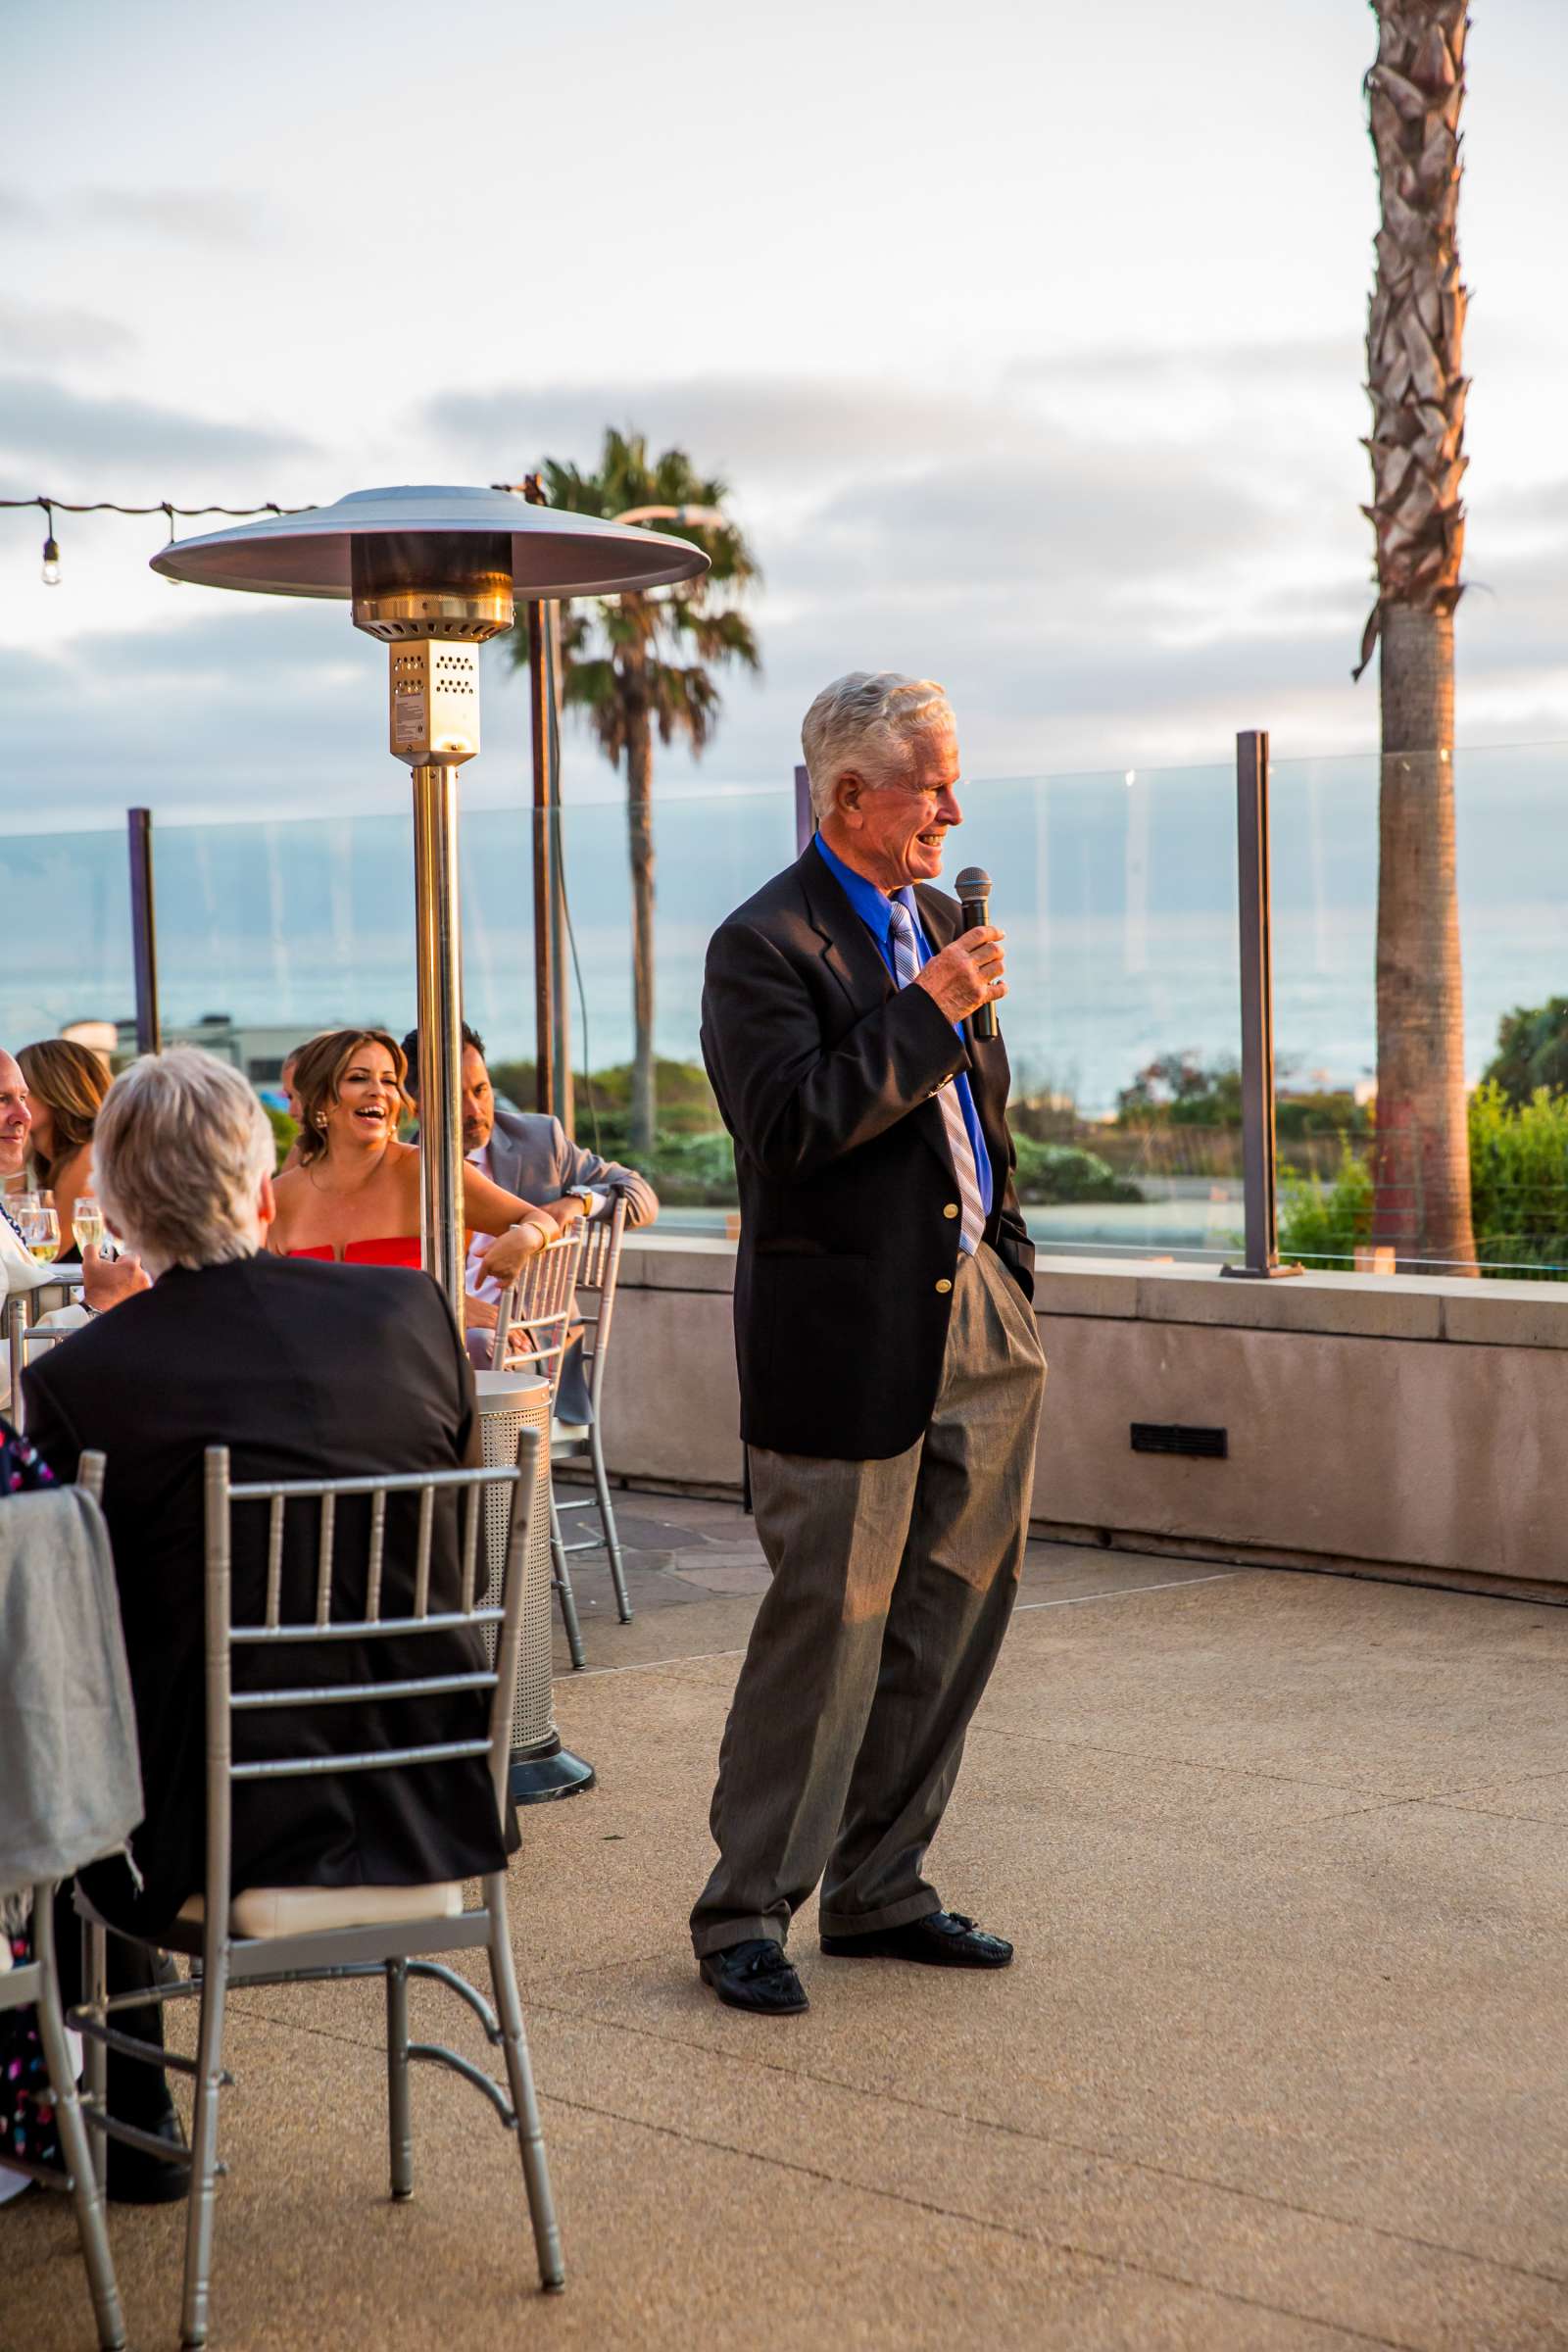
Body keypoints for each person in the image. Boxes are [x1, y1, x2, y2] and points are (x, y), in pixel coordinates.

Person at [23, 1049, 518, 2199]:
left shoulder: (82, 1382)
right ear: (258, 1192)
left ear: (125, 1214)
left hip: (215, 1830)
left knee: (67, 1741)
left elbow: (68, 1639)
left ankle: (135, 2126)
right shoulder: (411, 1313)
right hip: (437, 1786)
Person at [690, 672, 1048, 2016]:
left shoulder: (945, 918)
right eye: (931, 784)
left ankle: (882, 1888)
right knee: (826, 1630)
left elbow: (981, 1116)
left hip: (981, 1322)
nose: (953, 808)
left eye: (954, 781)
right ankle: (742, 1913)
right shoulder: (762, 944)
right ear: (848, 795)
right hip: (839, 1339)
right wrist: (929, 1008)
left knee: (952, 1621)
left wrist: (1010, 1261)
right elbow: (786, 1125)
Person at [401, 1023, 657, 1390]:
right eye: (454, 1097)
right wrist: (454, 1306)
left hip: (532, 1344)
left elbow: (639, 1194)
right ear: (416, 1105)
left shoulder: (539, 1142)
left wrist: (576, 1202)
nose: (474, 1109)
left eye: (481, 1089)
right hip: (433, 1338)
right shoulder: (402, 1169)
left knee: (473, 1345)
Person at [266, 1027, 585, 1293]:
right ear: (321, 1097)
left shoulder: (427, 1174)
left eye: (389, 1081)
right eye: (359, 1078)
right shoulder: (280, 1196)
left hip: (410, 1363)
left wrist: (527, 1237)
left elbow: (538, 1219)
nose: (379, 1091)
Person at [17, 1038, 111, 1259]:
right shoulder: (61, 1160)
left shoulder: (89, 1158)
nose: (12, 1107)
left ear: (54, 1093)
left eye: (21, 1094)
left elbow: (34, 1259)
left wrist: (15, 1172)